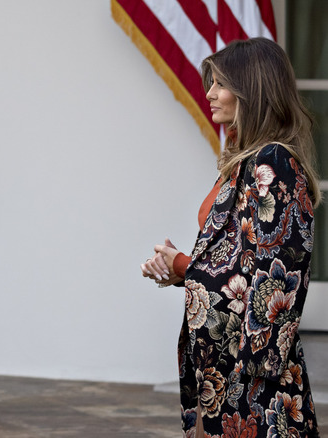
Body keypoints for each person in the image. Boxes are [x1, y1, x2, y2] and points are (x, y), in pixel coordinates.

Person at [141, 38, 321, 437]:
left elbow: (274, 285)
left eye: (220, 84)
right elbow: (235, 264)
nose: (209, 93)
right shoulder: (246, 160)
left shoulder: (274, 162)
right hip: (220, 369)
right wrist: (181, 268)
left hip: (253, 380)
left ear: (250, 90)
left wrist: (184, 267)